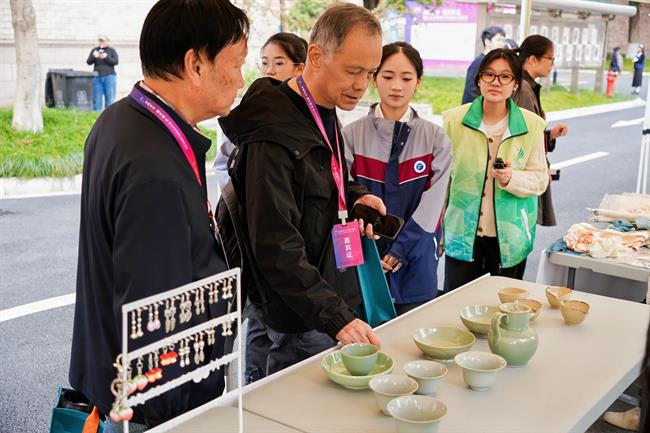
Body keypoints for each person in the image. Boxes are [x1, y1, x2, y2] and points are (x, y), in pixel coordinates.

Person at [69, 0, 249, 430]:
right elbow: (152, 322)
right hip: (155, 411)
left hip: (116, 385)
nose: (241, 79)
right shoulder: (156, 169)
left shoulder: (120, 120)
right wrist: (173, 417)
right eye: (237, 63)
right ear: (196, 65)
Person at [219, 3, 386, 379]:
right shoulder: (274, 131)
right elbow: (275, 243)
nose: (362, 84)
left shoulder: (324, 108)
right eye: (352, 71)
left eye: (370, 73)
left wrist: (355, 196)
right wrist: (336, 317)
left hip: (323, 295)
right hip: (299, 314)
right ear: (316, 55)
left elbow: (321, 178)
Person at [343, 42, 452, 315]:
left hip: (416, 261)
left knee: (413, 334)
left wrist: (400, 250)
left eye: (406, 78)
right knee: (362, 337)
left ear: (418, 83)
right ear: (374, 78)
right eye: (388, 76)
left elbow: (432, 207)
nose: (396, 86)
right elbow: (344, 196)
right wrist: (370, 249)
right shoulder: (351, 135)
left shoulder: (436, 139)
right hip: (363, 260)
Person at [442, 48, 548, 292]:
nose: (495, 82)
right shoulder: (453, 121)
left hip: (510, 240)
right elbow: (441, 181)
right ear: (479, 80)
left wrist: (512, 178)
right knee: (457, 303)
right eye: (489, 74)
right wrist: (437, 234)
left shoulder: (531, 125)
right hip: (462, 235)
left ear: (515, 84)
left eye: (505, 76)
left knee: (502, 306)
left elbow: (540, 179)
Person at [213, 32, 307, 189]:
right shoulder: (246, 111)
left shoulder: (313, 112)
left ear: (299, 69)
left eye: (279, 63)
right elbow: (223, 163)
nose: (269, 70)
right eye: (264, 63)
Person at [512, 34, 568, 227]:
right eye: (550, 58)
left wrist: (549, 135)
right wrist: (538, 170)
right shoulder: (524, 89)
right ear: (533, 59)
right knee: (520, 230)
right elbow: (521, 140)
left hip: (520, 176)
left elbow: (529, 133)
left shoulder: (527, 86)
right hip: (521, 178)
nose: (552, 64)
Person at [461, 26, 506, 104]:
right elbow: (471, 91)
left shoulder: (493, 61)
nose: (502, 44)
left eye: (503, 41)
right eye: (498, 40)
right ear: (487, 42)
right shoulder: (479, 63)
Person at [87, 34, 119, 111]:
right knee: (96, 99)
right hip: (97, 77)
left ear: (107, 41)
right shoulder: (95, 50)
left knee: (110, 99)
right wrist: (93, 56)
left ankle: (110, 115)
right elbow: (89, 62)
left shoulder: (111, 50)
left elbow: (115, 62)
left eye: (103, 40)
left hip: (109, 76)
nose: (101, 42)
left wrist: (106, 57)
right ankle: (96, 115)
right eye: (100, 40)